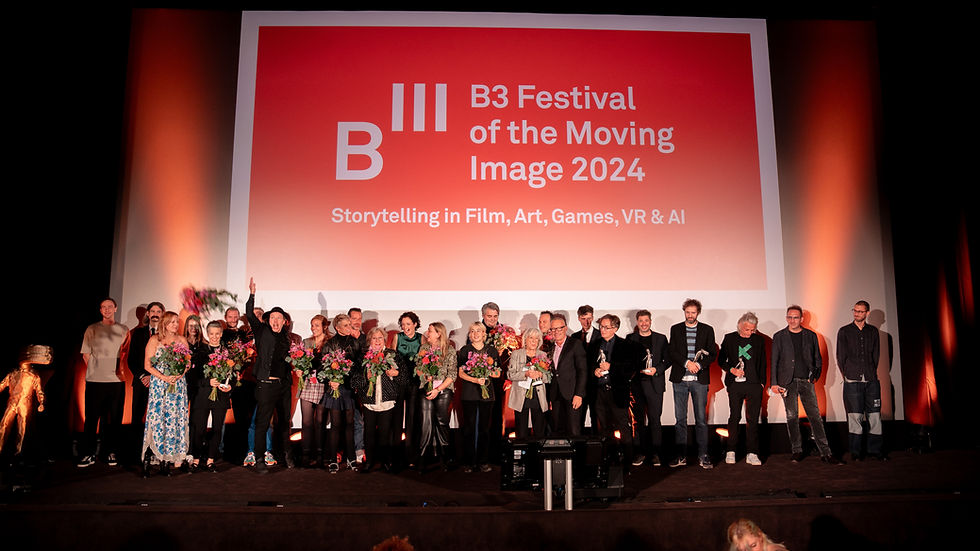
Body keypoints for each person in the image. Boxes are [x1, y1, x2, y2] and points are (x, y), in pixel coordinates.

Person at [771, 305, 840, 464]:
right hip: (786, 382)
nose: (792, 320)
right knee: (791, 416)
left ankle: (826, 453)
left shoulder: (810, 335)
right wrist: (774, 383)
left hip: (806, 381)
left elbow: (818, 358)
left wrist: (814, 376)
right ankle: (797, 450)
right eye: (789, 317)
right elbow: (774, 361)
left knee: (815, 416)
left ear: (801, 319)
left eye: (795, 317)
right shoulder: (779, 336)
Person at [245, 278, 295, 473]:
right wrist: (252, 294)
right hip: (265, 384)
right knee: (262, 423)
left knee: (284, 423)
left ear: (284, 322)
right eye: (272, 318)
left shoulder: (287, 337)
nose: (275, 321)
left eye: (279, 318)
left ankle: (287, 456)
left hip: (283, 386)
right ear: (268, 320)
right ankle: (258, 459)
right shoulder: (261, 330)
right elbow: (249, 314)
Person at [77, 298, 129, 468]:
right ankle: (88, 453)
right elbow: (86, 354)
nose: (107, 310)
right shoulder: (92, 329)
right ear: (100, 310)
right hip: (95, 380)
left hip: (116, 381)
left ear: (115, 308)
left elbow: (125, 354)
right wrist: (97, 369)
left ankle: (110, 452)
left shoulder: (123, 330)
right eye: (103, 307)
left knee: (113, 419)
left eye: (110, 307)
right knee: (91, 419)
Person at [668, 299, 717, 469]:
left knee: (701, 420)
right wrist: (686, 363)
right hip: (680, 380)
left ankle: (703, 455)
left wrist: (699, 365)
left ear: (698, 313)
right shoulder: (675, 329)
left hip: (699, 381)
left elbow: (712, 354)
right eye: (687, 312)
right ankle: (681, 455)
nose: (690, 315)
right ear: (684, 312)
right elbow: (672, 351)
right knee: (680, 419)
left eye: (693, 312)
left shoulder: (707, 330)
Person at [351, 327, 408, 473]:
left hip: (387, 400)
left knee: (385, 433)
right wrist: (366, 377)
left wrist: (395, 373)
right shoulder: (363, 356)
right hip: (369, 401)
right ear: (370, 340)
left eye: (380, 338)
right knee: (368, 433)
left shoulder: (392, 355)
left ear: (385, 340)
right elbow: (354, 381)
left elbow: (404, 379)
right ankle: (369, 461)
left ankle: (386, 461)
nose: (377, 341)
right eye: (374, 338)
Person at [141, 311, 190, 476]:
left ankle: (166, 461)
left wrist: (179, 375)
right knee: (158, 420)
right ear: (164, 323)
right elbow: (147, 365)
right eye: (172, 322)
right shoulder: (155, 340)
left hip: (177, 386)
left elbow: (187, 363)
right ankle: (149, 457)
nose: (175, 325)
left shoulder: (182, 340)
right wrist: (164, 377)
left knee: (173, 421)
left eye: (177, 322)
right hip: (160, 386)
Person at [586, 314, 639, 468]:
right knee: (604, 428)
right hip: (599, 392)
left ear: (615, 328)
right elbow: (588, 366)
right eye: (601, 326)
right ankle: (609, 459)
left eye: (606, 327)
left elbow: (630, 369)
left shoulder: (625, 345)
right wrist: (594, 371)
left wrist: (612, 367)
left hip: (617, 392)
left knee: (623, 427)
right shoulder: (595, 345)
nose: (602, 330)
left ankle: (628, 461)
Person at [836, 300, 884, 461]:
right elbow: (841, 357)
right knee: (855, 417)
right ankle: (856, 452)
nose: (857, 313)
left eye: (860, 311)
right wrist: (848, 375)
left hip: (871, 380)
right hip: (852, 380)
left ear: (867, 313)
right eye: (855, 310)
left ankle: (875, 450)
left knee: (874, 416)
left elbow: (875, 356)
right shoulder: (844, 331)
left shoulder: (872, 331)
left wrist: (870, 372)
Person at [718, 312, 767, 466]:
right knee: (734, 417)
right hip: (735, 384)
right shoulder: (730, 338)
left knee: (752, 419)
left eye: (753, 330)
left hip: (754, 385)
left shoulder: (759, 340)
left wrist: (761, 384)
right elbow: (721, 360)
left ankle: (752, 453)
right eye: (747, 330)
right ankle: (731, 450)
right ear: (740, 326)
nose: (750, 333)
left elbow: (763, 363)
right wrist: (731, 370)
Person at [625, 309, 670, 467]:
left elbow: (668, 360)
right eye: (641, 321)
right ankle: (640, 452)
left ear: (650, 321)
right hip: (636, 384)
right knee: (637, 421)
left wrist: (657, 369)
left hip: (655, 384)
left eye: (646, 320)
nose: (644, 323)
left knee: (655, 420)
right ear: (637, 323)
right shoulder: (630, 339)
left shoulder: (661, 338)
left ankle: (656, 453)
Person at [189, 321, 233, 472]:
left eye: (217, 334)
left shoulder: (228, 352)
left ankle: (210, 460)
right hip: (202, 396)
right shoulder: (200, 351)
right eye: (211, 334)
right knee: (199, 429)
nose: (214, 337)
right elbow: (193, 378)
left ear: (221, 334)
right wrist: (208, 381)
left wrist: (230, 386)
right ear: (207, 334)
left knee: (216, 429)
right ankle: (195, 459)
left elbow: (232, 375)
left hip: (220, 396)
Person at [456, 322, 501, 472]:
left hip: (487, 396)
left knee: (484, 429)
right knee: (468, 429)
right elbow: (461, 373)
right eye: (472, 331)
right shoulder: (464, 350)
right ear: (469, 335)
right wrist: (475, 379)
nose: (475, 334)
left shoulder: (492, 351)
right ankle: (468, 462)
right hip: (469, 394)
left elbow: (498, 373)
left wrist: (485, 373)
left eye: (478, 331)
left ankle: (483, 461)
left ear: (484, 334)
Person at [125, 300, 164, 463]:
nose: (155, 314)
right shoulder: (138, 333)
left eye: (158, 311)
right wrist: (143, 376)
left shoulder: (166, 336)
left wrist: (156, 376)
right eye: (152, 311)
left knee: (158, 418)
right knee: (137, 417)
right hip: (142, 382)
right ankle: (135, 453)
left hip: (160, 382)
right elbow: (131, 359)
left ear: (163, 314)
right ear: (148, 314)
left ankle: (155, 451)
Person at [416, 321, 457, 471]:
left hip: (443, 390)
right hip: (426, 388)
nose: (427, 333)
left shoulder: (449, 350)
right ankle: (422, 460)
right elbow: (418, 368)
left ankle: (445, 458)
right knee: (426, 423)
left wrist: (438, 389)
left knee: (442, 422)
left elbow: (452, 374)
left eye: (430, 331)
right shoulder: (424, 348)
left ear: (439, 333)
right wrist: (426, 377)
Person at [323, 313, 360, 473]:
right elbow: (323, 367)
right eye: (345, 325)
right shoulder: (329, 344)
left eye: (349, 325)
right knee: (336, 425)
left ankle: (351, 459)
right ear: (337, 328)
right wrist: (331, 381)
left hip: (348, 388)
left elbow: (358, 366)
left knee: (350, 425)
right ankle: (333, 460)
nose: (349, 328)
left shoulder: (355, 343)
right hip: (334, 389)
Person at [392, 311, 424, 469]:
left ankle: (411, 455)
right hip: (399, 381)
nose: (405, 327)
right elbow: (391, 358)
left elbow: (425, 359)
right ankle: (396, 457)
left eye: (408, 324)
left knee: (412, 418)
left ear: (415, 324)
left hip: (414, 382)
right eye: (403, 324)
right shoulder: (397, 337)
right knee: (396, 418)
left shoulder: (421, 338)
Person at [547, 313, 587, 437]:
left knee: (574, 430)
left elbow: (582, 370)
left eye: (559, 328)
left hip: (572, 394)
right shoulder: (549, 347)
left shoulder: (575, 344)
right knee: (558, 429)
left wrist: (579, 394)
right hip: (556, 395)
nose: (556, 331)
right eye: (553, 329)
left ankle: (577, 457)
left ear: (565, 328)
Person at [508, 328, 552, 439]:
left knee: (539, 432)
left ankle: (538, 455)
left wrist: (541, 375)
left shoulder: (543, 355)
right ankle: (522, 453)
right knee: (521, 433)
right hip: (521, 397)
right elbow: (510, 375)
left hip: (538, 396)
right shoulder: (516, 354)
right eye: (531, 338)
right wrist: (526, 374)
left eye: (536, 339)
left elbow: (548, 378)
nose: (533, 341)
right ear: (525, 340)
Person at [299, 315, 330, 467]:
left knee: (320, 421)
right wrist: (299, 369)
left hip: (323, 384)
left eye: (317, 325)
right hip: (308, 384)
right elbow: (301, 362)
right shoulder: (307, 342)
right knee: (306, 422)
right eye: (312, 325)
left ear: (324, 326)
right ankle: (305, 455)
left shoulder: (330, 343)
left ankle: (319, 455)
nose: (313, 328)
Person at [570, 305, 599, 433]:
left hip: (596, 385)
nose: (587, 322)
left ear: (593, 317)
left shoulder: (600, 335)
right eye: (583, 318)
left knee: (596, 418)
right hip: (579, 386)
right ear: (579, 319)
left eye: (589, 318)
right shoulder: (574, 337)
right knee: (578, 419)